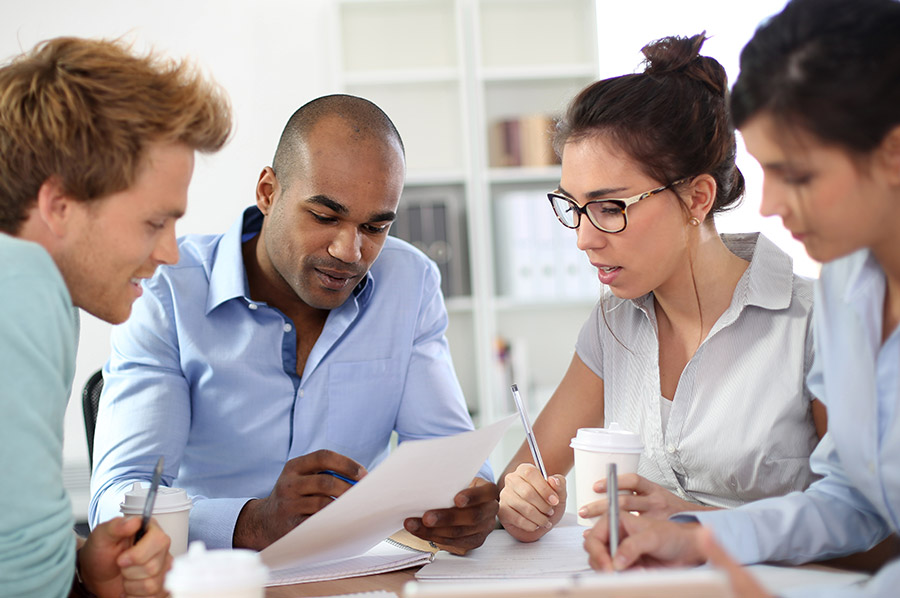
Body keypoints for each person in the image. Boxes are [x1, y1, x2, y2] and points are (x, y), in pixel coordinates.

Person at [582, 0, 900, 596]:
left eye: (798, 175)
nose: (772, 205)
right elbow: (854, 503)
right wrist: (697, 536)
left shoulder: (806, 313)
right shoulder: (847, 291)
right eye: (765, 171)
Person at [88, 94, 498, 554]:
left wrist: (468, 502)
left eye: (375, 227)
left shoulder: (410, 281)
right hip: (217, 579)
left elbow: (447, 453)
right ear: (268, 192)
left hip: (354, 574)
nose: (350, 251)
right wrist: (253, 522)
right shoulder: (166, 293)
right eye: (325, 217)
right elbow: (117, 500)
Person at [498, 33, 827, 543]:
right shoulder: (612, 324)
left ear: (697, 198)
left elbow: (877, 534)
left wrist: (690, 524)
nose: (584, 239)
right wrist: (522, 504)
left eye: (611, 208)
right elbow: (521, 476)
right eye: (574, 207)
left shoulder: (815, 323)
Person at [0, 37, 231, 598]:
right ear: (58, 206)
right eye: (155, 222)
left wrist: (82, 567)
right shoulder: (23, 283)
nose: (171, 252)